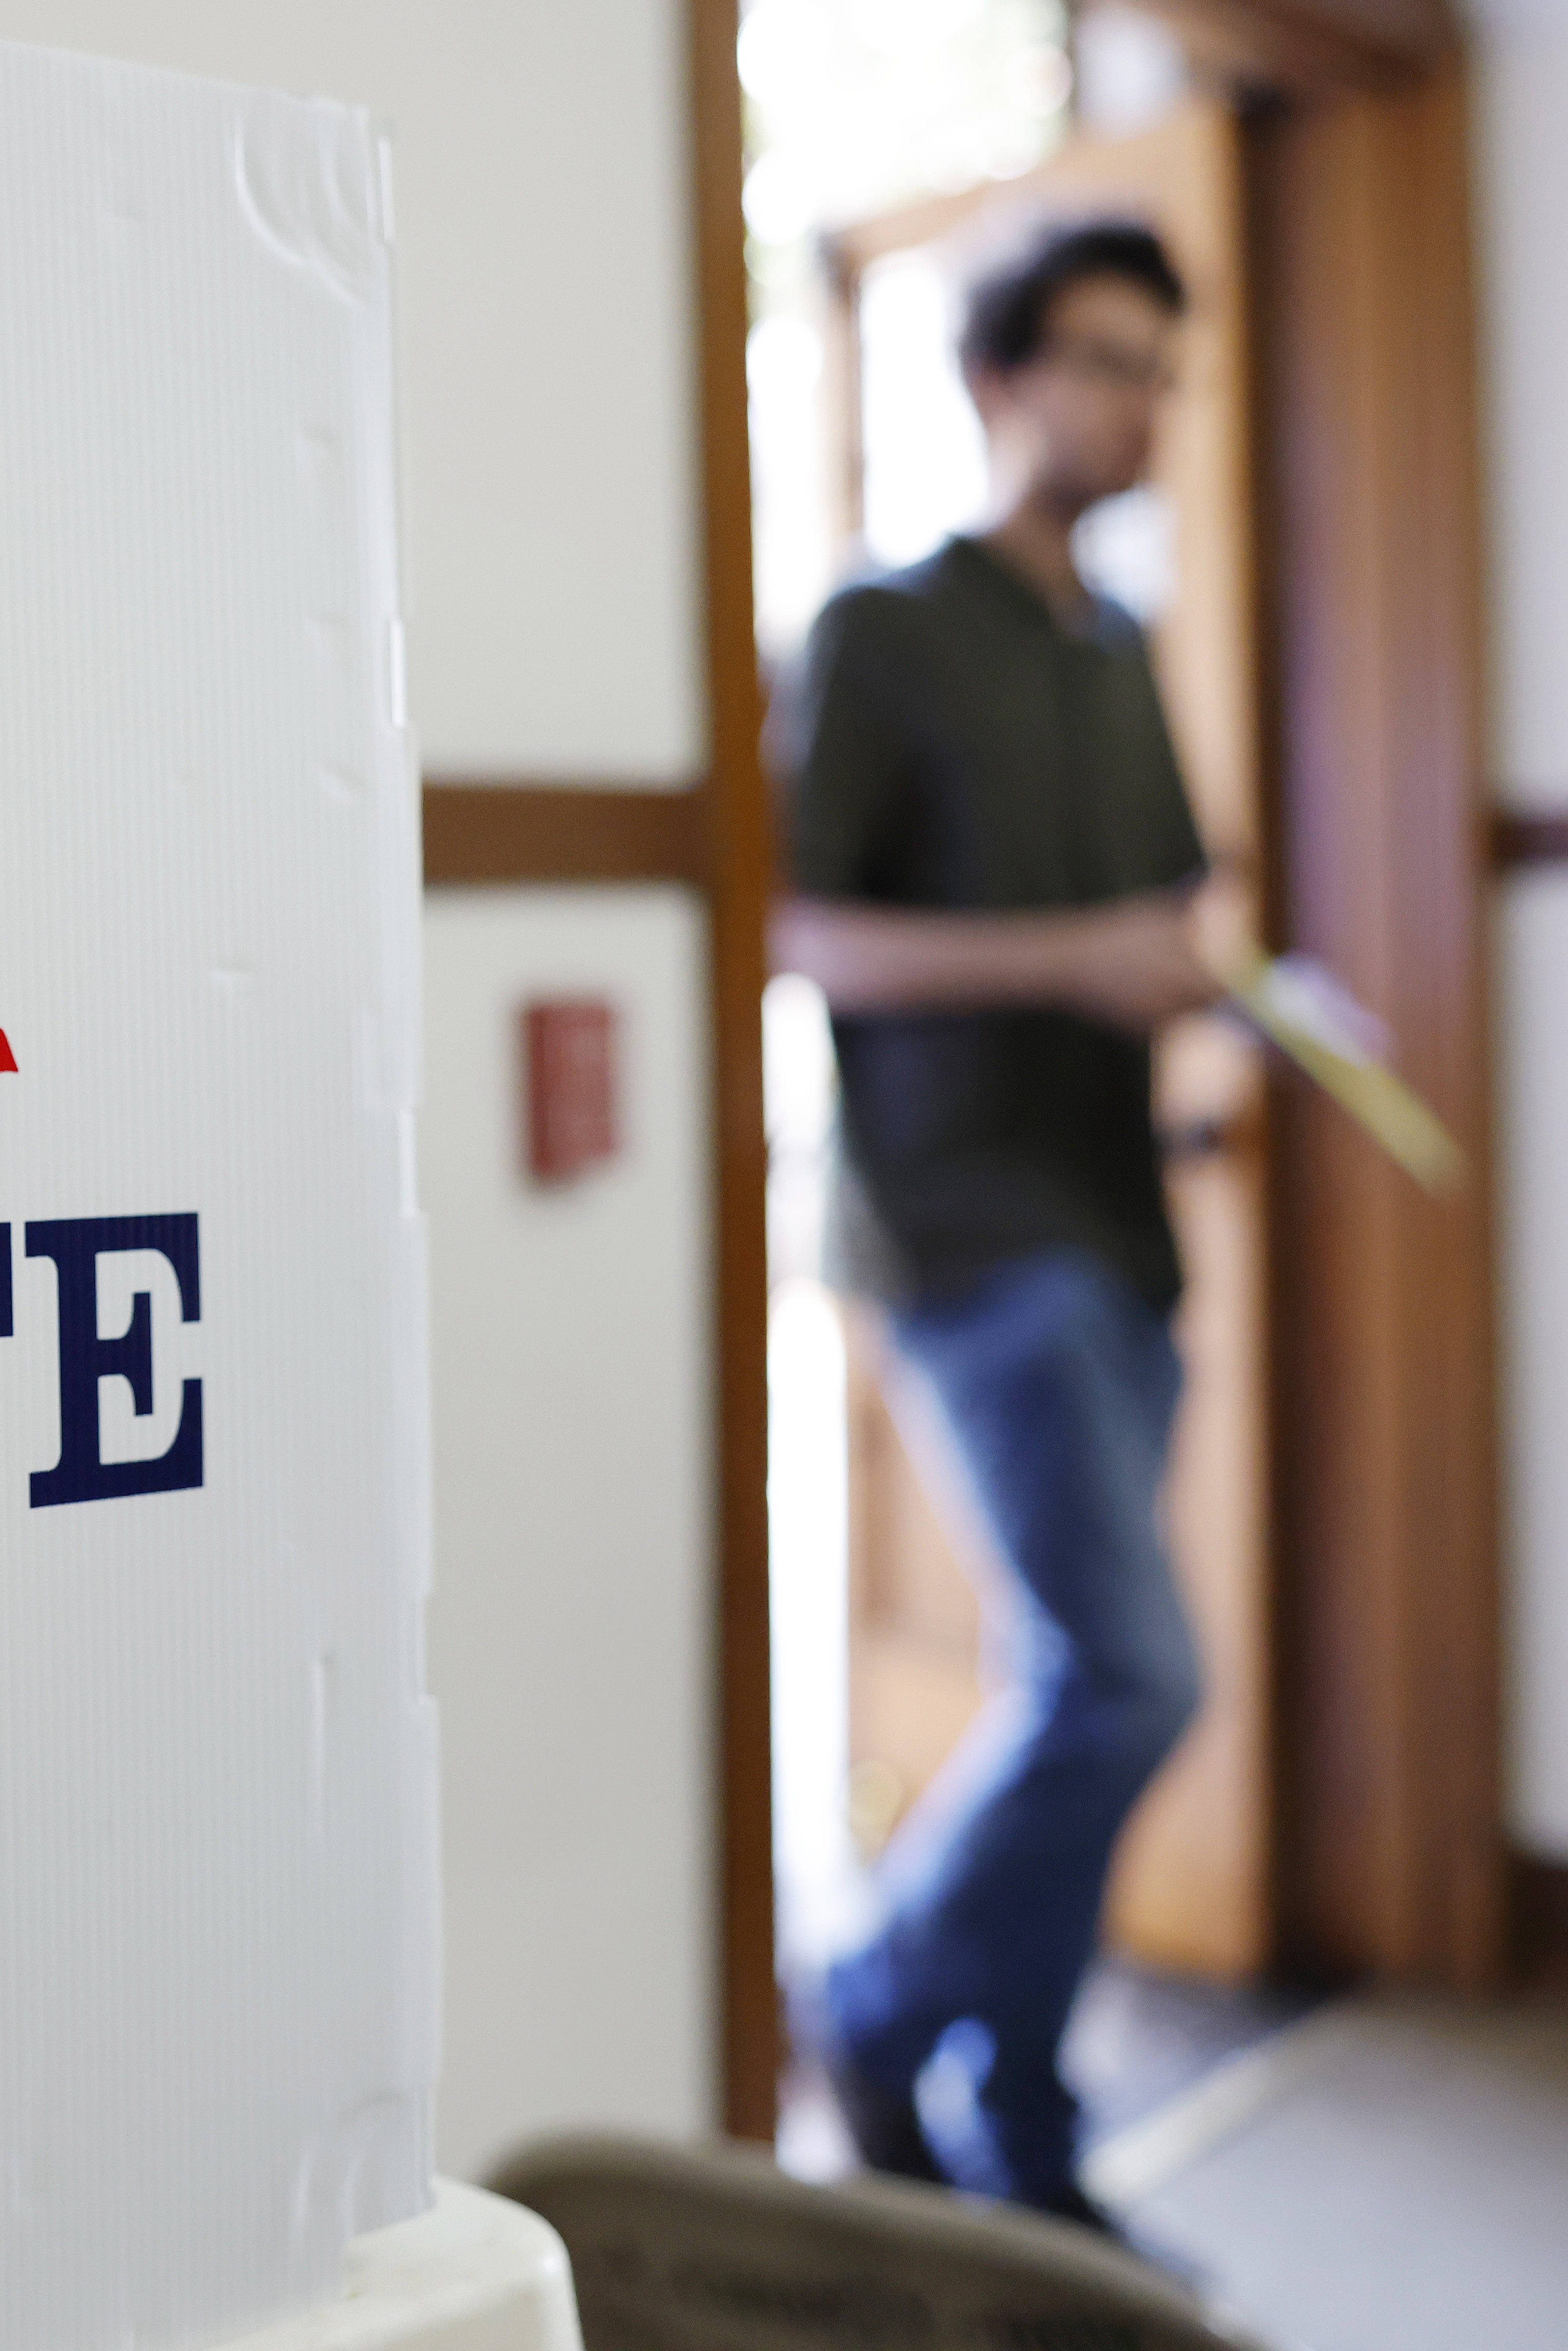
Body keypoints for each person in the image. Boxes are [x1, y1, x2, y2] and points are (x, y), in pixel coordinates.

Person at [776, 218, 1222, 2233]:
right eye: (1105, 359)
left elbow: (1167, 925)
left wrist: (1212, 999)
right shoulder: (883, 630)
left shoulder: (1123, 652)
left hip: (1128, 1235)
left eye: (1160, 370)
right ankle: (875, 2006)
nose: (1137, 404)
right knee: (1128, 1678)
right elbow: (793, 928)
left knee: (1088, 1679)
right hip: (970, 1236)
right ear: (1000, 377)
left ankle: (1023, 2139)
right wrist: (1071, 962)